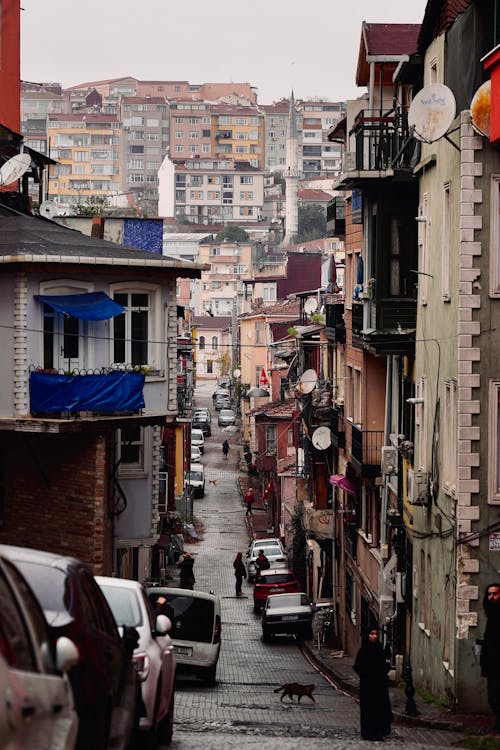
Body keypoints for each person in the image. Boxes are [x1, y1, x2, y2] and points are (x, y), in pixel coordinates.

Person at [353, 627, 393, 741]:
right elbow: (358, 666)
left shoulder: (379, 648)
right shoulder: (363, 651)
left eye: (376, 634)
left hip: (379, 685)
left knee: (379, 709)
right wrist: (367, 674)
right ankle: (368, 732)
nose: (374, 636)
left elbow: (384, 663)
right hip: (367, 686)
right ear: (367, 635)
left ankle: (379, 732)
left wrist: (383, 670)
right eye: (372, 634)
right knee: (368, 709)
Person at [480, 582, 500, 731]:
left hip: (497, 664)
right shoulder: (491, 614)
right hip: (492, 664)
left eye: (495, 594)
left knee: (496, 695)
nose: (491, 597)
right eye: (489, 594)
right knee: (493, 696)